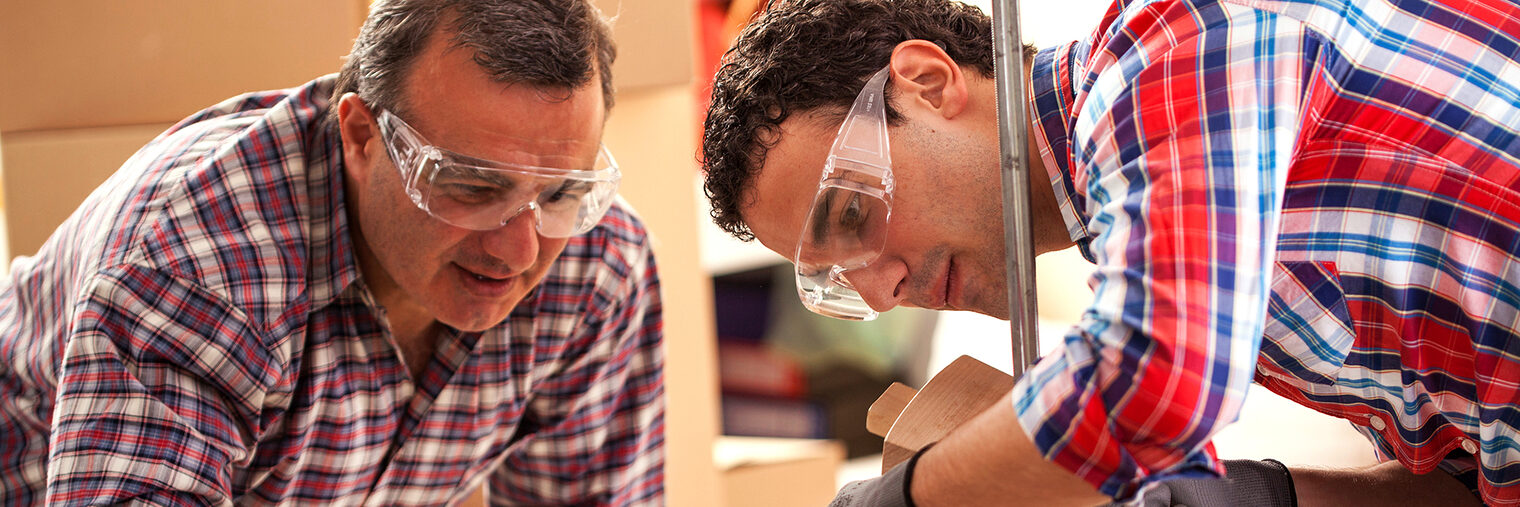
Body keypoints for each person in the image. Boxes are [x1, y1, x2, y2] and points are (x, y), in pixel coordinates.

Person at [700, 0, 1520, 504]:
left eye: (850, 214)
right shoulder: (1172, 248)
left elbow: (1152, 380)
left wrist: (911, 502)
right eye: (837, 283)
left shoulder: (1171, 41)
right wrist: (1230, 497)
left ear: (925, 81)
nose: (882, 291)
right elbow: (1461, 482)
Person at [0, 0, 665, 504]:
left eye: (560, 193)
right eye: (471, 185)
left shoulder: (595, 264)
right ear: (360, 135)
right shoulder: (199, 265)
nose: (520, 249)